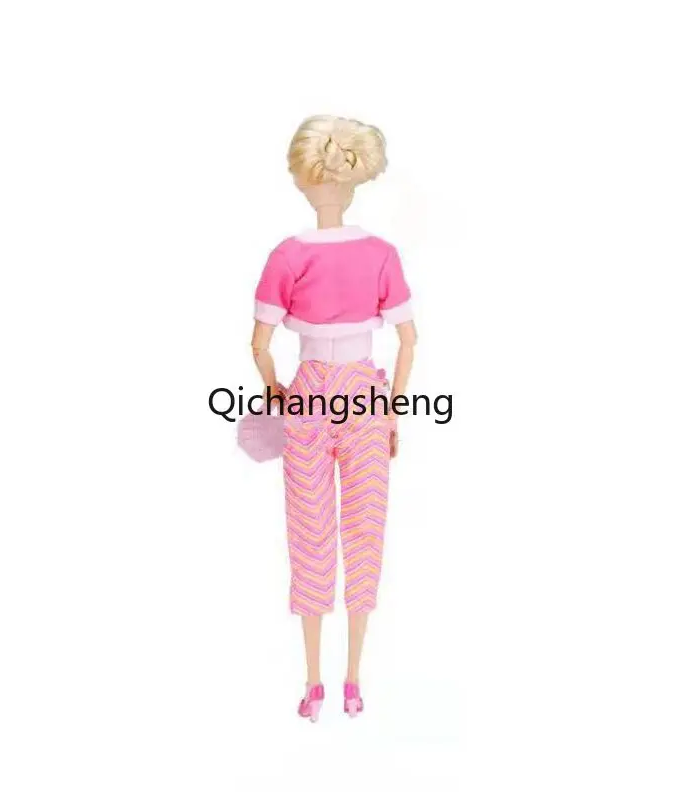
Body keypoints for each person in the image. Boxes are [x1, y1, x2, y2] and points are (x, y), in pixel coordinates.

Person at [250, 115, 417, 721]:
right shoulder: (380, 253)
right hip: (366, 394)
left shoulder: (288, 255)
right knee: (365, 527)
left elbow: (260, 345)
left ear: (304, 180)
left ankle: (315, 682)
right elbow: (409, 339)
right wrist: (393, 409)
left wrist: (275, 394)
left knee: (310, 532)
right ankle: (352, 680)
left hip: (309, 392)